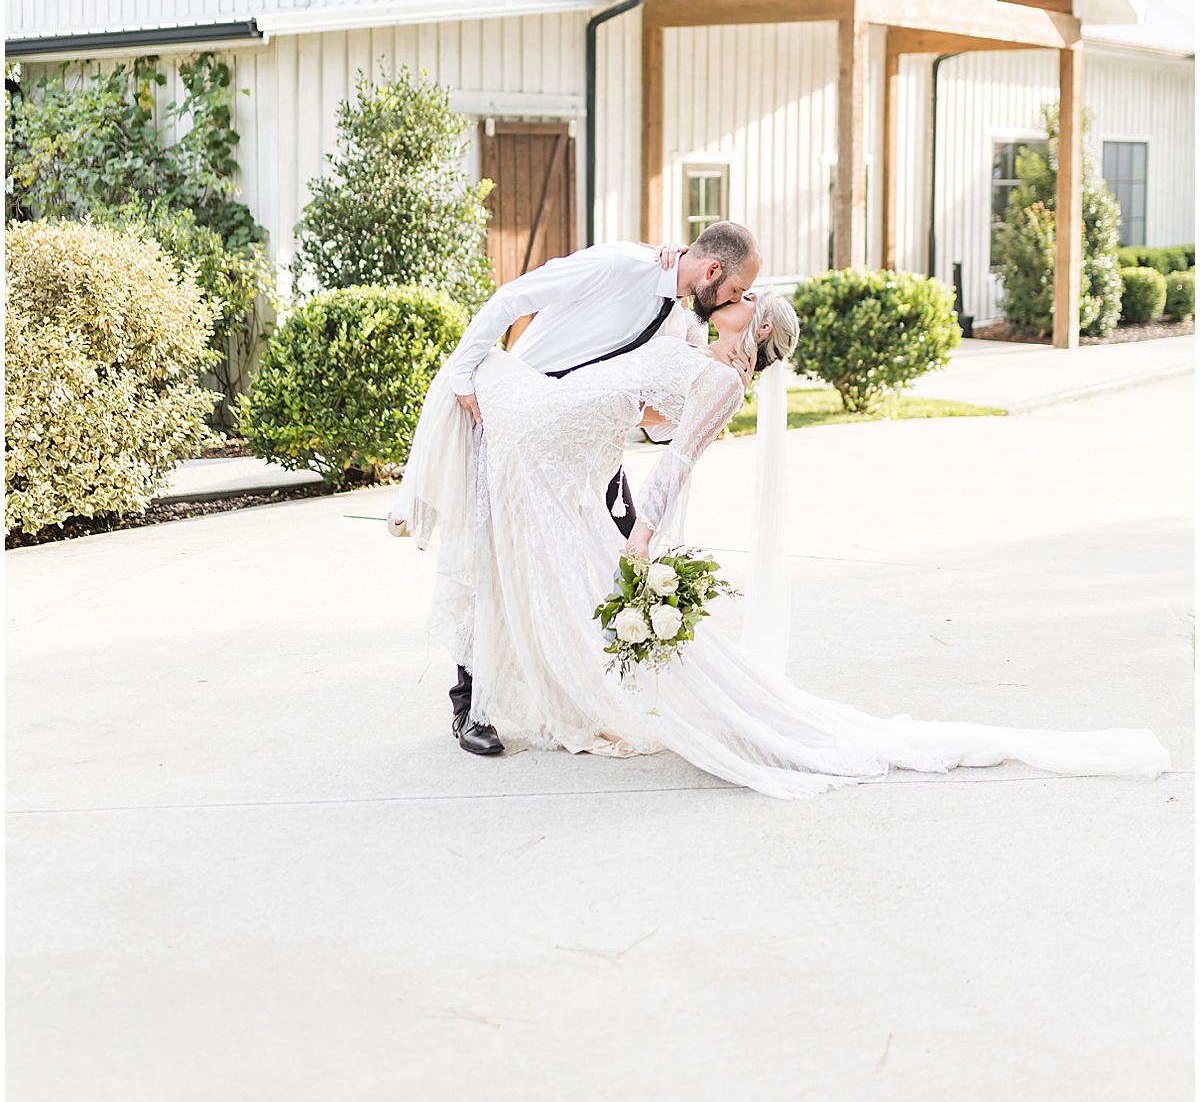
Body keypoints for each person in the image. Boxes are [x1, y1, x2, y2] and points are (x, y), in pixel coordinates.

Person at [394, 288, 1170, 796]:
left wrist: (644, 535)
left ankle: (487, 687)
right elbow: (634, 402)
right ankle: (482, 684)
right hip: (560, 448)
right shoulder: (687, 336)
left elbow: (677, 455)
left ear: (758, 325)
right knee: (517, 567)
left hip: (574, 463)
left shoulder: (722, 378)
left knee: (544, 577)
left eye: (746, 301)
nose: (734, 302)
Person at [394, 221, 761, 753]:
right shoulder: (621, 266)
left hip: (583, 452)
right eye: (733, 290)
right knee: (488, 560)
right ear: (710, 271)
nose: (735, 299)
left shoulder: (686, 323)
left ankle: (614, 686)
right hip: (515, 424)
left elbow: (654, 424)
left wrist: (710, 398)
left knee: (612, 566)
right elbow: (513, 296)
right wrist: (463, 374)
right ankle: (470, 708)